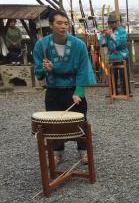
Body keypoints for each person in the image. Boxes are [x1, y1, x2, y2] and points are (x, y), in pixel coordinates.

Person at [33, 11, 96, 165]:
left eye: (66, 23)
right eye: (59, 23)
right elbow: (38, 73)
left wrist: (79, 92)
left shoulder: (78, 45)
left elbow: (84, 70)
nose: (63, 26)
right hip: (53, 89)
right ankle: (56, 152)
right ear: (51, 25)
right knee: (54, 124)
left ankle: (84, 151)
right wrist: (45, 69)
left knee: (80, 122)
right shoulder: (41, 45)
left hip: (73, 89)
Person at [99, 12, 130, 95]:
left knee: (124, 74)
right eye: (110, 23)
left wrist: (111, 35)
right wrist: (103, 36)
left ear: (117, 22)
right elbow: (103, 43)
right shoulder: (108, 31)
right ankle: (113, 91)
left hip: (122, 54)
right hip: (112, 55)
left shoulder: (122, 31)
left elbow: (121, 42)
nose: (111, 24)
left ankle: (126, 91)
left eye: (113, 22)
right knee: (113, 74)